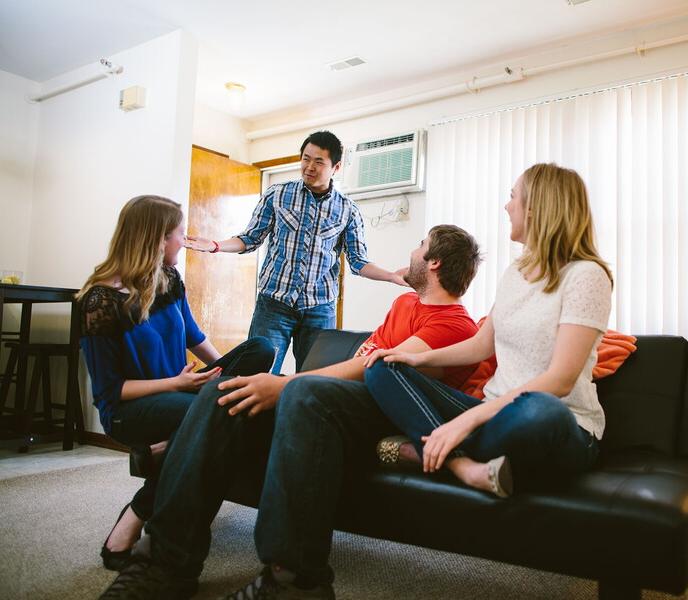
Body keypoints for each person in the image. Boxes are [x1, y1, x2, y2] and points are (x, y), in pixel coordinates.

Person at [97, 224, 482, 599]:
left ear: (434, 263)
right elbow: (360, 360)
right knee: (226, 391)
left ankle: (292, 581)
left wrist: (287, 386)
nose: (413, 252)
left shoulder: (455, 325)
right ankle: (164, 564)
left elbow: (378, 369)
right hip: (336, 400)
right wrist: (284, 385)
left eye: (421, 244)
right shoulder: (404, 304)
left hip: (379, 415)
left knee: (298, 391)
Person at [363, 163, 613, 498]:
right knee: (383, 366)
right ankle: (461, 465)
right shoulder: (516, 272)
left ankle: (425, 445)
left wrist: (466, 421)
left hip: (562, 424)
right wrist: (412, 359)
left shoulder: (586, 276)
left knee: (541, 408)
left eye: (513, 197)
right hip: (494, 412)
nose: (507, 206)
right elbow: (482, 345)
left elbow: (560, 380)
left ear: (538, 207)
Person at [77, 195, 275, 572]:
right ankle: (139, 511)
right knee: (223, 415)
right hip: (131, 409)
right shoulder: (99, 300)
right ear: (155, 239)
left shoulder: (168, 280)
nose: (183, 242)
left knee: (260, 351)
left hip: (184, 389)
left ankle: (170, 447)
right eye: (178, 235)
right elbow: (110, 392)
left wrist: (225, 377)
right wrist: (176, 384)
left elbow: (194, 337)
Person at [186, 130, 408, 374]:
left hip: (319, 309)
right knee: (258, 374)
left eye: (318, 161)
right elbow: (250, 239)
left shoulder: (348, 210)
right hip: (274, 304)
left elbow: (358, 262)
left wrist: (390, 276)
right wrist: (216, 245)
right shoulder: (277, 194)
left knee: (314, 381)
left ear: (336, 167)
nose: (309, 167)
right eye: (305, 158)